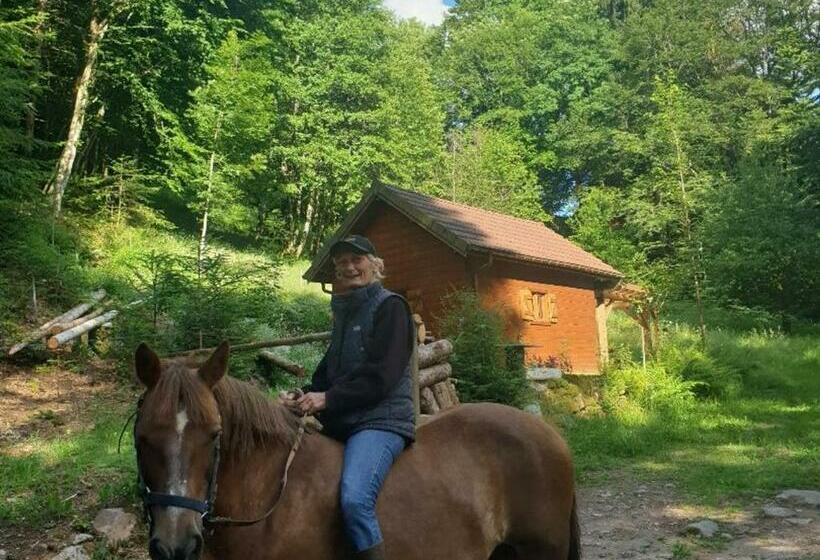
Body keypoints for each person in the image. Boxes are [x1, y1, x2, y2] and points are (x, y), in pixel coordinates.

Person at [283, 235, 415, 560]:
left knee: (355, 499)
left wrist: (326, 400)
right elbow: (326, 377)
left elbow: (381, 376)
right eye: (342, 262)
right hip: (346, 422)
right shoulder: (346, 315)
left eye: (357, 259)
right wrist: (302, 396)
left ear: (375, 264)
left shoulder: (391, 307)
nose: (349, 266)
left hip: (381, 421)